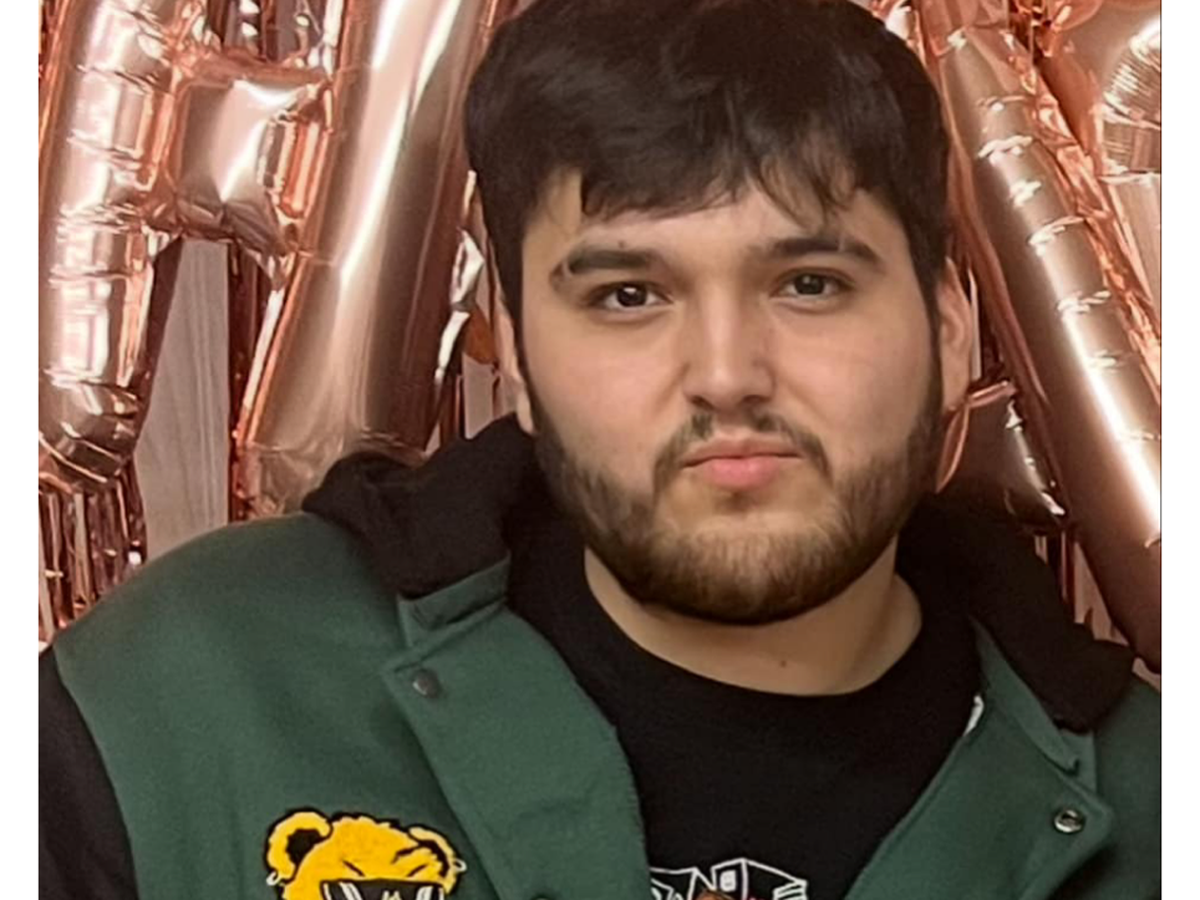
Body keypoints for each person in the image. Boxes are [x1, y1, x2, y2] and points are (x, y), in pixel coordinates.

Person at [40, 1, 1159, 898]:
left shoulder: (1159, 813)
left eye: (810, 284)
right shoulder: (184, 697)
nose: (727, 372)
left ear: (950, 333)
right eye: (629, 294)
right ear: (519, 356)